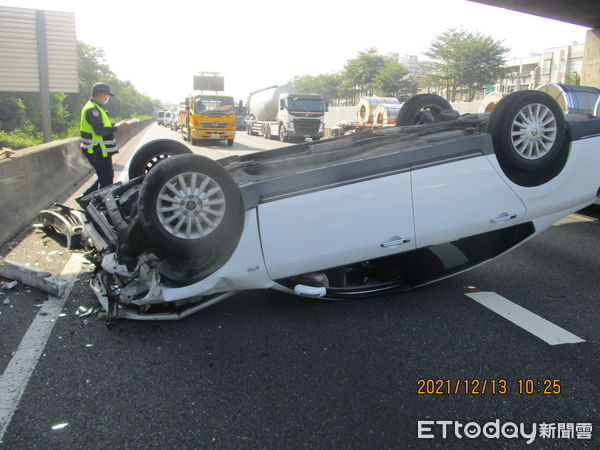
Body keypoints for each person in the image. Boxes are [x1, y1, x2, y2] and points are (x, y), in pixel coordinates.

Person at [80, 82, 129, 195]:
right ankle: (100, 205)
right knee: (106, 179)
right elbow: (99, 130)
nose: (106, 98)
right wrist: (117, 128)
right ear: (100, 94)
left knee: (104, 176)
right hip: (97, 151)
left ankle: (86, 198)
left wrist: (116, 124)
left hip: (99, 150)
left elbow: (102, 125)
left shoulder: (96, 108)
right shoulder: (93, 110)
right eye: (106, 95)